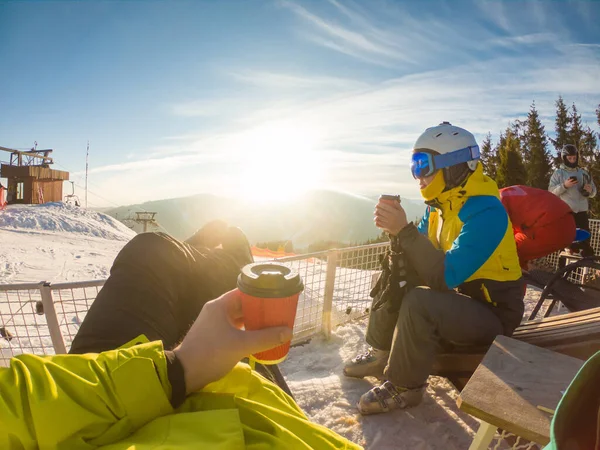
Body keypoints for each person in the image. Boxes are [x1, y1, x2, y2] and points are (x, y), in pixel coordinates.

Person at [0, 225, 362, 449]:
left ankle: (215, 257)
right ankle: (229, 259)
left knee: (152, 249)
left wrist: (177, 369)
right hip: (241, 423)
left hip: (90, 415)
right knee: (174, 250)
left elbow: (17, 407)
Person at [344, 122, 525, 415]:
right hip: (463, 303)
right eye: (414, 166)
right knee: (397, 274)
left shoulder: (487, 213)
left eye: (423, 165)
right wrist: (397, 241)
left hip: (494, 315)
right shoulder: (439, 207)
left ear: (452, 166)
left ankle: (405, 387)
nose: (418, 176)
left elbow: (444, 276)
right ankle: (380, 353)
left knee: (420, 300)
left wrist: (404, 229)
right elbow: (418, 257)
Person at [499, 185, 576, 270]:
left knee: (504, 256)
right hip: (569, 222)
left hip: (549, 225)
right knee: (511, 253)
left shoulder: (493, 202)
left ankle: (518, 279)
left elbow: (497, 236)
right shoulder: (503, 193)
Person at [549, 144, 596, 257]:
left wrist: (589, 191)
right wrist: (564, 185)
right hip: (567, 211)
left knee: (585, 238)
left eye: (574, 158)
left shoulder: (583, 173)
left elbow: (594, 192)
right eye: (569, 158)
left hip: (582, 212)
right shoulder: (558, 174)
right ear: (564, 158)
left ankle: (584, 267)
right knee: (568, 239)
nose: (572, 160)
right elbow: (551, 192)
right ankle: (563, 268)